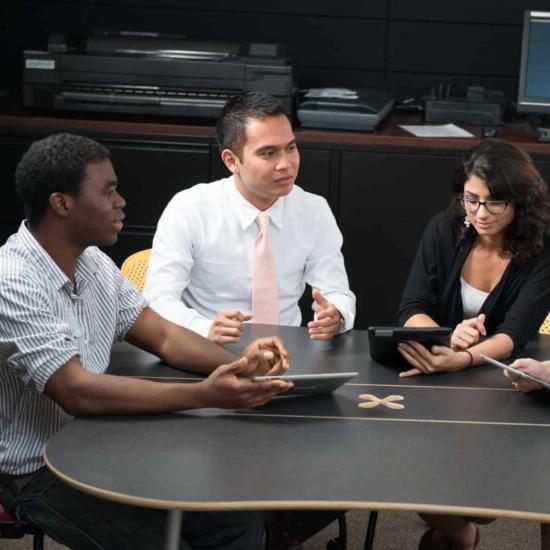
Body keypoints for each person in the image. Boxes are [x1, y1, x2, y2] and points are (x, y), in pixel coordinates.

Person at [0, 133, 294, 550]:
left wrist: (239, 362)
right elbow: (76, 390)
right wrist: (206, 395)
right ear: (61, 203)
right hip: (38, 469)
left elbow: (166, 335)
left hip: (100, 440)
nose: (121, 202)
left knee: (233, 521)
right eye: (108, 192)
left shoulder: (94, 263)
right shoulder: (11, 280)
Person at [397, 139, 550, 549]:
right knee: (407, 470)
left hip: (506, 381)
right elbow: (412, 308)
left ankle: (462, 521)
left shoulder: (542, 248)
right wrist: (447, 335)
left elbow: (514, 334)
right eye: (471, 200)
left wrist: (463, 358)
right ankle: (464, 536)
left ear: (520, 202)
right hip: (439, 374)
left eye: (494, 203)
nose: (480, 213)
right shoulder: (444, 228)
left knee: (485, 494)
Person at [144, 91, 355, 345]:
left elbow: (337, 292)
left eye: (291, 147)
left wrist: (337, 316)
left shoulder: (313, 210)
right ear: (232, 160)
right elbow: (158, 299)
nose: (286, 164)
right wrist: (205, 327)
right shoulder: (190, 209)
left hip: (288, 353)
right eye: (268, 153)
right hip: (206, 350)